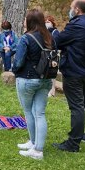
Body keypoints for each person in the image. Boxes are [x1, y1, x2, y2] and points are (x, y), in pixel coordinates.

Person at [12, 9, 53, 160]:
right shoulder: (49, 37)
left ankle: (35, 146)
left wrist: (14, 70)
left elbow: (19, 61)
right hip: (45, 79)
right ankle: (36, 146)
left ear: (29, 21)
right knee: (40, 113)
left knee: (29, 112)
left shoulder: (26, 38)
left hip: (27, 79)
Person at [52, 0, 85, 152]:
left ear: (77, 10)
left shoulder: (76, 25)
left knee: (77, 107)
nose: (70, 10)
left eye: (71, 7)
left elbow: (58, 41)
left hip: (75, 71)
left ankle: (73, 143)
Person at [45, 15, 59, 97]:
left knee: (52, 73)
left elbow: (56, 43)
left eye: (48, 22)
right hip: (45, 54)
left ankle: (52, 90)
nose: (47, 23)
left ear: (52, 23)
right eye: (45, 22)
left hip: (53, 54)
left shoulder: (55, 32)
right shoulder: (43, 32)